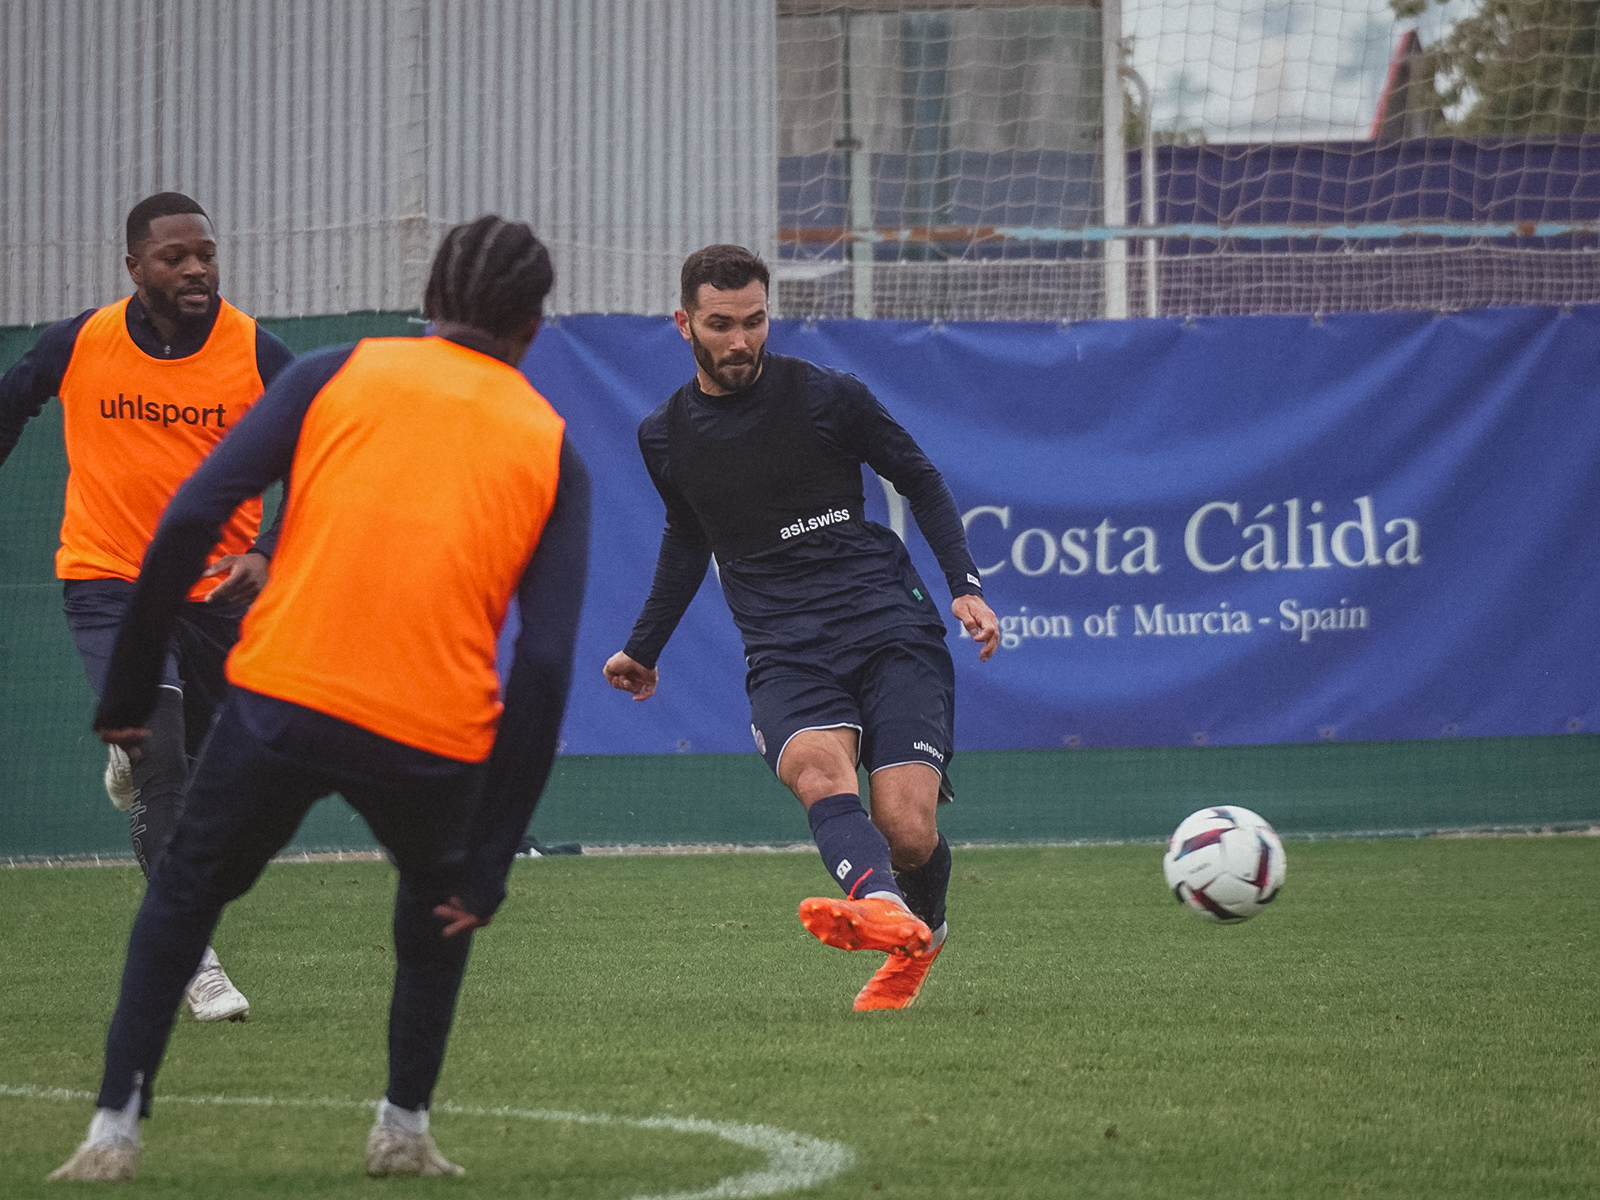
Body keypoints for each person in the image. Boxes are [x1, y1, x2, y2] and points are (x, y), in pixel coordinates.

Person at [46, 215, 591, 1183]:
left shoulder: (336, 371)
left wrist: (128, 690)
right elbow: (545, 668)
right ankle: (402, 1130)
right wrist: (491, 862)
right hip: (433, 731)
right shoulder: (553, 447)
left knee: (184, 891)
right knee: (435, 915)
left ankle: (112, 1135)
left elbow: (192, 515)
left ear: (429, 301)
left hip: (283, 702)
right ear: (532, 328)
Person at [604, 244, 999, 1012]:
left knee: (907, 831)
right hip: (784, 647)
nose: (740, 340)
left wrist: (964, 586)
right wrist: (643, 649)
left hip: (887, 624)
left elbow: (918, 478)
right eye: (721, 324)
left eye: (754, 321)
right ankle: (882, 909)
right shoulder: (664, 436)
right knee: (820, 774)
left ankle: (921, 931)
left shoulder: (827, 395)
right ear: (684, 323)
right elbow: (689, 536)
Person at [0, 192, 295, 1022]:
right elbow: (11, 402)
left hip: (215, 598)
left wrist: (266, 551)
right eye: (175, 257)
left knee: (203, 786)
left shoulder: (256, 353)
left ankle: (137, 763)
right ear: (135, 267)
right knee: (164, 765)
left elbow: (318, 457)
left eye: (206, 253)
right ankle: (196, 959)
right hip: (111, 583)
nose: (197, 268)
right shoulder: (81, 342)